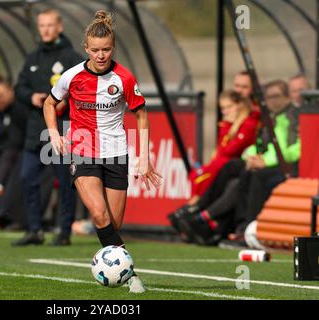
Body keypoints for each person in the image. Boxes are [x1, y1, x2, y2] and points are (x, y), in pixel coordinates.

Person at [43, 10, 162, 293]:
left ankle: (115, 260)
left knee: (112, 224)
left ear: (113, 47)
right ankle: (131, 275)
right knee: (98, 215)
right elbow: (49, 104)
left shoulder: (124, 79)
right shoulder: (71, 76)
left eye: (106, 49)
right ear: (86, 48)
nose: (100, 55)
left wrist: (144, 157)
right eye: (95, 50)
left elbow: (142, 115)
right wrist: (54, 134)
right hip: (82, 150)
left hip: (116, 153)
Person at [178, 80, 300, 246]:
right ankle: (222, 222)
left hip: (286, 168)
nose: (270, 101)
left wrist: (264, 161)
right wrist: (251, 157)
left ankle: (211, 216)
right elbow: (259, 145)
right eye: (267, 97)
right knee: (236, 173)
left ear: (286, 97)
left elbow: (290, 149)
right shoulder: (271, 117)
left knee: (244, 173)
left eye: (275, 96)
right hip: (266, 162)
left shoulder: (290, 117)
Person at [11, 8, 83, 246]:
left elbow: (81, 88)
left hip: (62, 129)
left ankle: (64, 232)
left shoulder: (72, 58)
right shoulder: (33, 58)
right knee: (27, 177)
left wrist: (63, 102)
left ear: (59, 27)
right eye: (42, 26)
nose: (46, 30)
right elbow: (18, 88)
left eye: (50, 25)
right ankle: (35, 229)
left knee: (65, 182)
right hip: (35, 129)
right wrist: (31, 97)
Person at [168, 90, 259, 236]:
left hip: (240, 166)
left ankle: (199, 210)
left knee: (220, 173)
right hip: (230, 167)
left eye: (228, 107)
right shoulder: (231, 125)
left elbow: (229, 150)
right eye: (222, 108)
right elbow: (222, 151)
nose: (225, 111)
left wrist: (226, 127)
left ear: (240, 105)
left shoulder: (248, 123)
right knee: (200, 174)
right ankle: (197, 212)